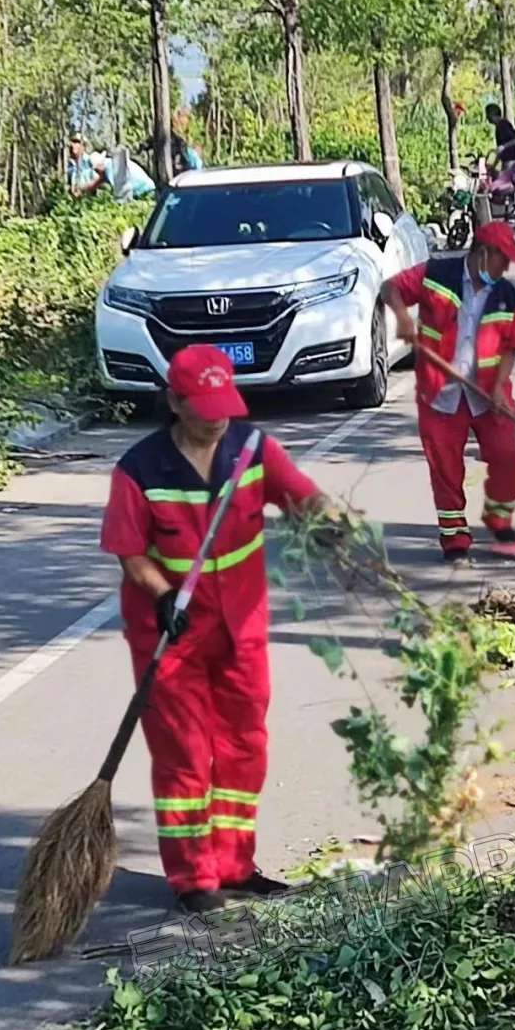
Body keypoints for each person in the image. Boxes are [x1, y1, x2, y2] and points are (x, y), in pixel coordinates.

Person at [100, 345, 328, 913]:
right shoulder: (139, 471)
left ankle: (234, 864)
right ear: (175, 402)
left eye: (223, 403)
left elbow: (300, 495)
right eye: (203, 407)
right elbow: (130, 554)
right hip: (170, 634)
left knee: (243, 747)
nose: (217, 416)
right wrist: (163, 595)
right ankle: (193, 878)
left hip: (241, 628)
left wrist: (329, 522)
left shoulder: (252, 451)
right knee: (184, 752)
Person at [382, 222, 515, 563]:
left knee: (507, 456)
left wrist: (497, 386)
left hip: (488, 396)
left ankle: (500, 523)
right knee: (445, 469)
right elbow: (389, 288)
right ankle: (455, 541)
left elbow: (512, 344)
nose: (506, 267)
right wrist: (404, 319)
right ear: (482, 254)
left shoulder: (506, 295)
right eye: (502, 259)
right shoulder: (436, 274)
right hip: (440, 394)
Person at [81, 147, 157, 202]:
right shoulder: (111, 164)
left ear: (100, 165)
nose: (97, 173)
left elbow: (119, 193)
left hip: (145, 192)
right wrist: (81, 190)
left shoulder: (110, 169)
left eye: (96, 170)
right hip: (147, 189)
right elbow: (95, 183)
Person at [485, 103, 515, 170]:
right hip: (509, 161)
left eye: (487, 114)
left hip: (512, 162)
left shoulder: (502, 125)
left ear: (492, 114)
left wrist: (502, 147)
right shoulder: (501, 125)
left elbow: (514, 140)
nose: (487, 117)